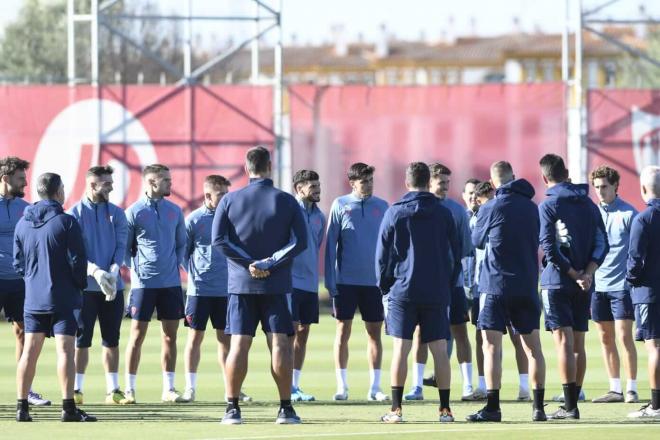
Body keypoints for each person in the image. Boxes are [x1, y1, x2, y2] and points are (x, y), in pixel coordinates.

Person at [212, 146, 308, 425]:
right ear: (270, 166)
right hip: (276, 284)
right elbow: (300, 242)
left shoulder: (230, 200)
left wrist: (249, 264)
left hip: (241, 285)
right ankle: (285, 408)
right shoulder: (287, 201)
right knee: (280, 343)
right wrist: (269, 263)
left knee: (239, 345)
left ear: (246, 167)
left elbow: (218, 241)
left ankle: (232, 408)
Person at [377, 162, 459, 424]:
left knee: (401, 349)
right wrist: (447, 281)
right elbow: (456, 253)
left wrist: (384, 284)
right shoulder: (443, 213)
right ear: (428, 181)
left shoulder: (395, 212)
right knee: (439, 350)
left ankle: (396, 410)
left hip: (403, 289)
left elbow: (382, 255)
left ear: (407, 182)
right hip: (436, 289)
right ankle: (445, 410)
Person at [466, 161, 547, 422]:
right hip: (526, 283)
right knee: (533, 348)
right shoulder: (533, 207)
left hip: (495, 284)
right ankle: (538, 408)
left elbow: (477, 241)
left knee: (491, 346)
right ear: (514, 176)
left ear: (493, 181)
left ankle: (493, 407)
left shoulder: (490, 207)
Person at [14, 173, 96, 422]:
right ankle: (68, 408)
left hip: (33, 297)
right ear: (58, 191)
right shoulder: (66, 222)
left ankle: (21, 408)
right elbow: (78, 261)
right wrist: (79, 286)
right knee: (65, 351)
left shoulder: (22, 223)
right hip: (62, 296)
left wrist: (32, 280)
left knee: (29, 351)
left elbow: (18, 263)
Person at [538, 154, 609, 420]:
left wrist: (572, 273)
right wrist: (587, 273)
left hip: (557, 281)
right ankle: (572, 403)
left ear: (545, 178)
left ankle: (570, 406)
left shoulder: (548, 205)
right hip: (584, 283)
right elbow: (603, 242)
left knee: (564, 344)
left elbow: (549, 246)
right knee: (578, 343)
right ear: (566, 173)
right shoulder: (590, 204)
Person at [178, 174, 252, 403]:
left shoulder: (232, 218)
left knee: (226, 340)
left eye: (226, 193)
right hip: (199, 291)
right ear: (208, 195)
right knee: (194, 338)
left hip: (227, 290)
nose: (225, 198)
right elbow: (183, 253)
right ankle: (190, 388)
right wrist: (195, 276)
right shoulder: (194, 219)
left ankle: (232, 388)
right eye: (221, 194)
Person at [325, 162, 389, 401]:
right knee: (343, 331)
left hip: (374, 283)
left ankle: (375, 387)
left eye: (371, 180)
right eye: (364, 181)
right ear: (353, 183)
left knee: (375, 333)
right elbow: (331, 245)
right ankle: (342, 386)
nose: (368, 185)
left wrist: (388, 279)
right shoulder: (340, 205)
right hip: (346, 282)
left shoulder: (382, 206)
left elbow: (389, 245)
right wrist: (331, 281)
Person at [124, 164, 187, 403]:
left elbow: (181, 244)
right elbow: (125, 249)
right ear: (152, 183)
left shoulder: (175, 211)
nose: (171, 184)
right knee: (137, 335)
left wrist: (175, 263)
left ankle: (169, 389)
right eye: (166, 181)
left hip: (170, 283)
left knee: (170, 336)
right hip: (143, 285)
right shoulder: (134, 212)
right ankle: (129, 389)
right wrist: (136, 268)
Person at [68, 165, 128, 405]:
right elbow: (74, 253)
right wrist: (95, 271)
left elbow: (121, 245)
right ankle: (76, 389)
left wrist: (114, 271)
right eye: (107, 184)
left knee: (111, 339)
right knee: (81, 340)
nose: (112, 187)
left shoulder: (117, 213)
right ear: (92, 185)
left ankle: (113, 390)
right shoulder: (74, 214)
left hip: (113, 288)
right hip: (84, 288)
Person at [414, 163, 474, 401]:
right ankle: (416, 386)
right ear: (430, 182)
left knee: (459, 331)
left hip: (453, 282)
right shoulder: (417, 207)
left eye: (448, 183)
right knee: (420, 333)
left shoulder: (456, 211)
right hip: (424, 283)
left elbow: (465, 247)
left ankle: (468, 386)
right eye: (442, 183)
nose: (446, 187)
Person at [0, 156, 50, 407]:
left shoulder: (27, 209)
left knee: (25, 333)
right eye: (21, 179)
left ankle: (26, 390)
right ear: (5, 179)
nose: (26, 184)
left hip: (21, 280)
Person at [589, 165, 639, 404]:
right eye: (597, 187)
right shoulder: (591, 213)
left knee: (624, 336)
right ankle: (615, 388)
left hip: (622, 286)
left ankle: (631, 388)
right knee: (605, 337)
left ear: (615, 186)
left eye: (604, 187)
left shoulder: (630, 214)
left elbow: (637, 252)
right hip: (598, 286)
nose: (600, 191)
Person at [626, 165, 660, 419]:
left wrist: (631, 280)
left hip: (649, 291)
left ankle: (656, 405)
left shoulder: (644, 218)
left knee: (654, 346)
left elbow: (635, 260)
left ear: (643, 189)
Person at [290, 169, 326, 402]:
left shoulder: (320, 217)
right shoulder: (288, 212)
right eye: (312, 187)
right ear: (299, 189)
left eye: (318, 186)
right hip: (290, 281)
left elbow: (316, 246)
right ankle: (287, 387)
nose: (317, 190)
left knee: (303, 333)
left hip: (310, 283)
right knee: (288, 333)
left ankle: (295, 385)